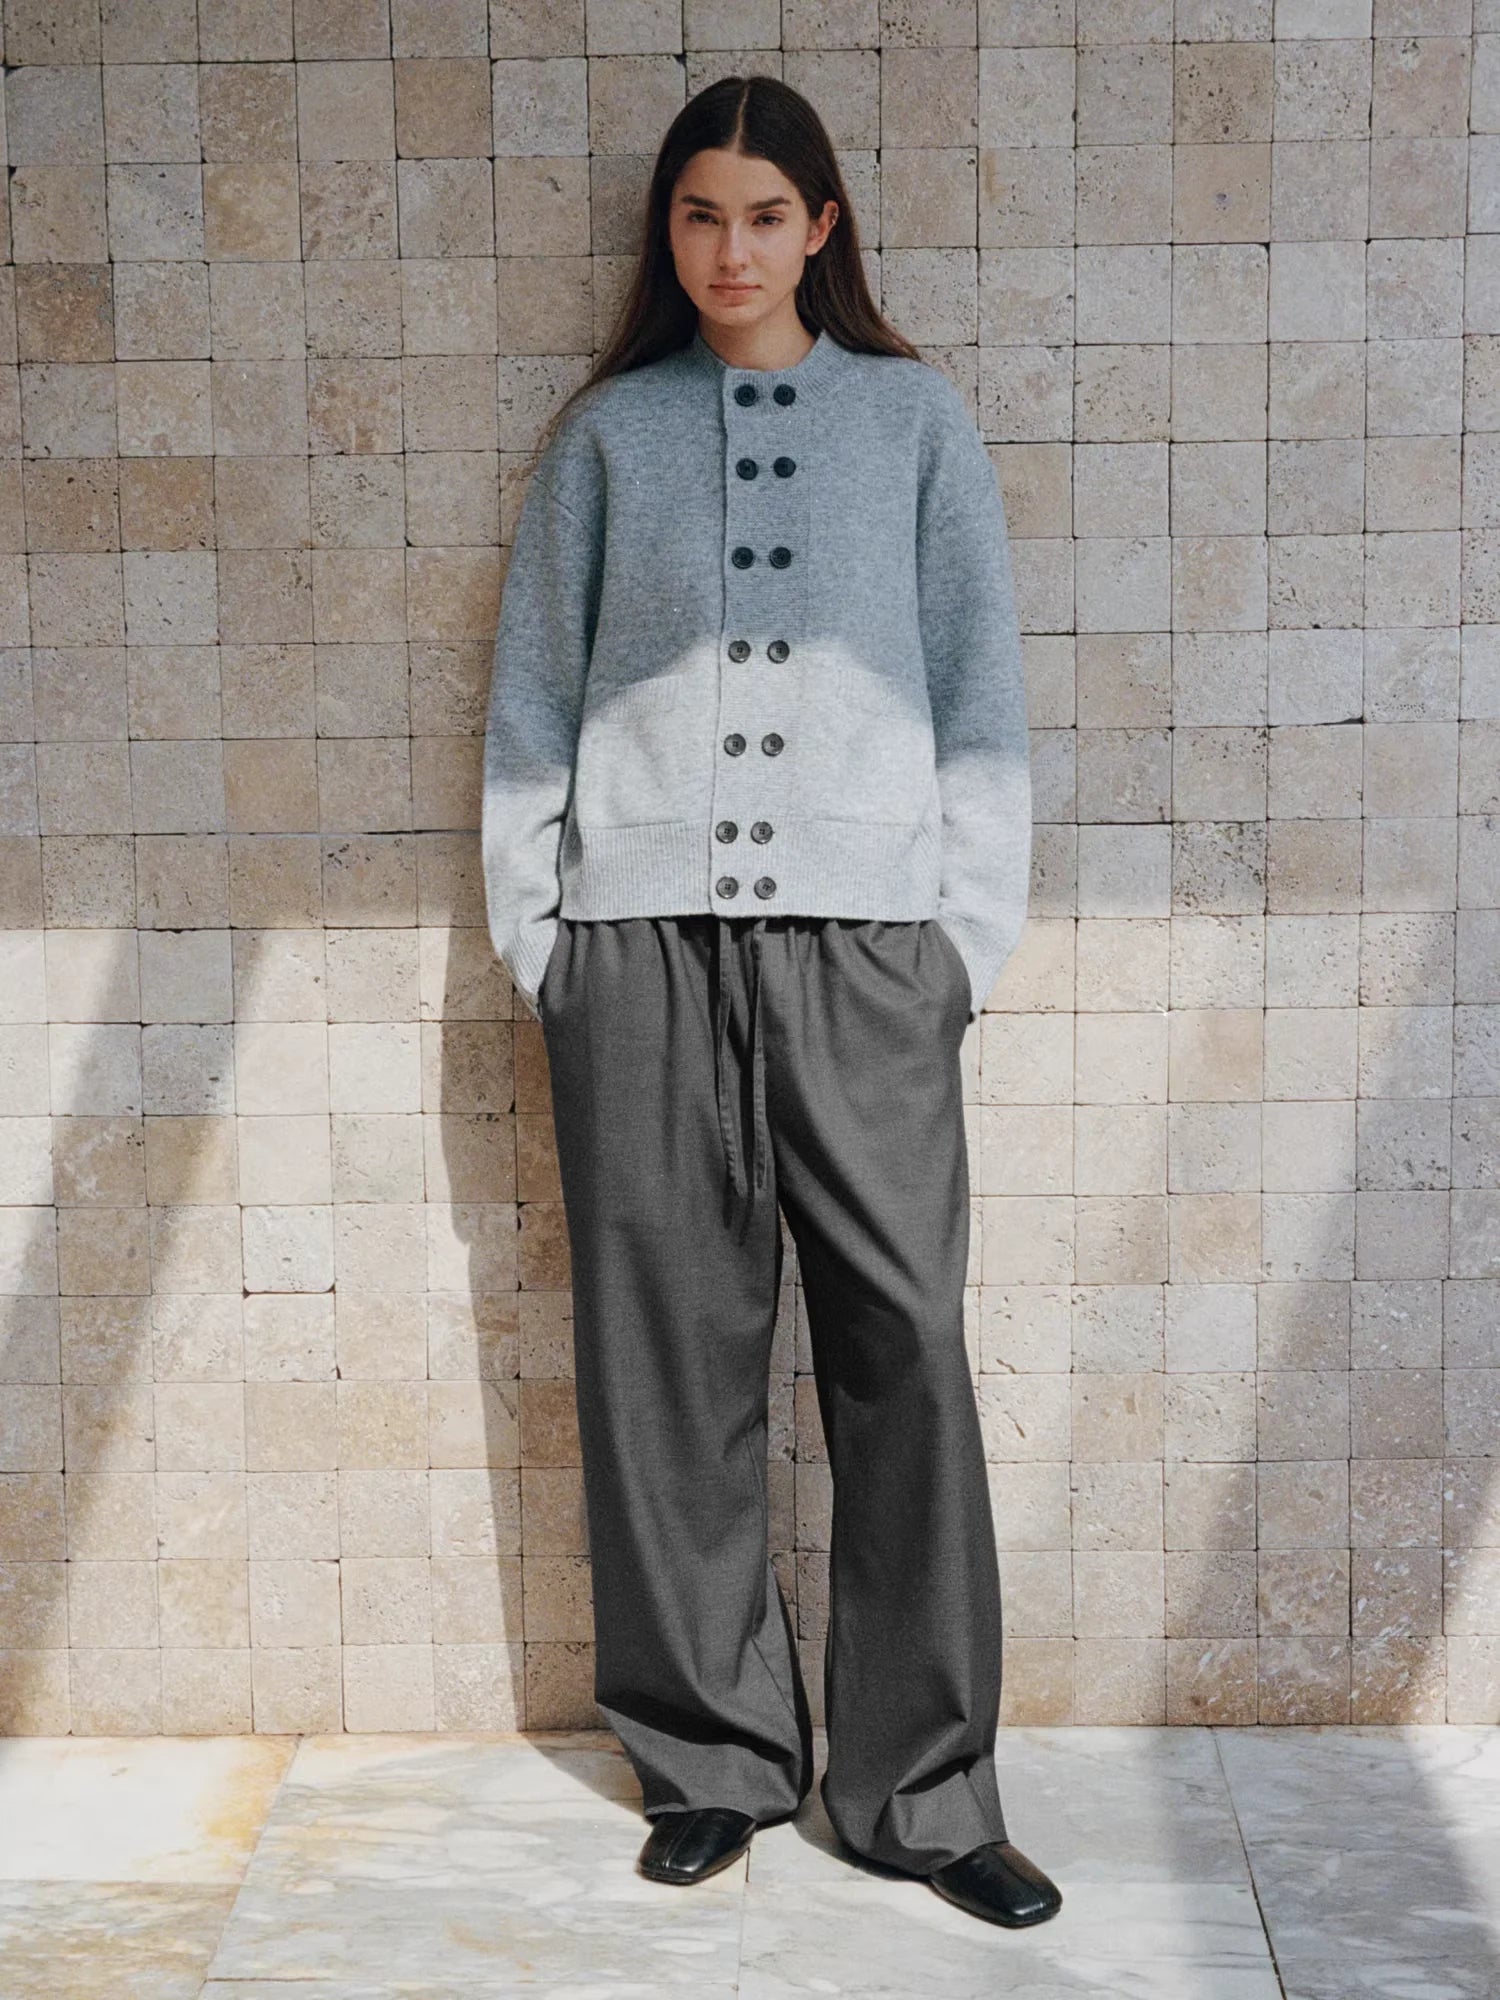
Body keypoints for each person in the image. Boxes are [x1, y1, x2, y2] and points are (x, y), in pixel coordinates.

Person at [481, 73, 1061, 1932]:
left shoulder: (913, 422)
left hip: (872, 958)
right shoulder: (609, 437)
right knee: (666, 1364)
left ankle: (923, 1792)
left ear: (822, 228)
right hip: (638, 954)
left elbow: (980, 691)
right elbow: (531, 701)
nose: (727, 251)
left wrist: (960, 943)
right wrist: (545, 941)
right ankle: (712, 1762)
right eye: (697, 216)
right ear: (667, 234)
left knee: (906, 1348)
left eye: (761, 216)